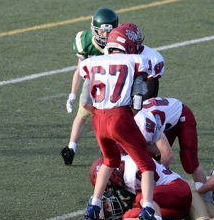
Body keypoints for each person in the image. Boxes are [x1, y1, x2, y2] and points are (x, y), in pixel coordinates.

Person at [79, 23, 169, 220]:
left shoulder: (92, 62)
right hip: (120, 116)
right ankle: (148, 209)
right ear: (129, 45)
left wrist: (101, 114)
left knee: (109, 161)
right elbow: (138, 100)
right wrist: (127, 115)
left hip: (98, 118)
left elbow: (85, 101)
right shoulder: (136, 60)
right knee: (146, 165)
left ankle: (93, 205)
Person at [62, 14, 165, 165]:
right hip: (117, 106)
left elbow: (149, 96)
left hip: (112, 111)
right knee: (139, 159)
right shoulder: (116, 54)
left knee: (116, 156)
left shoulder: (147, 58)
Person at [61, 7, 119, 165]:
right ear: (94, 29)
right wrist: (72, 94)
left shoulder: (119, 43)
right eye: (102, 31)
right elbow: (79, 70)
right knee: (83, 110)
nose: (105, 35)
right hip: (93, 79)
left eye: (109, 32)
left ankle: (112, 147)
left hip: (114, 81)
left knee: (113, 116)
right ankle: (71, 147)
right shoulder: (84, 42)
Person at [89, 154, 193, 220]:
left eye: (110, 186)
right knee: (127, 218)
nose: (113, 190)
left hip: (178, 191)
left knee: (142, 198)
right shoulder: (123, 163)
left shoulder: (131, 173)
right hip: (174, 209)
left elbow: (146, 197)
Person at [139, 96, 207, 184]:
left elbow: (167, 154)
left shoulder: (148, 123)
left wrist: (159, 176)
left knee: (190, 162)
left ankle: (204, 191)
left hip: (181, 115)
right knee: (151, 158)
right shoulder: (137, 121)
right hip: (163, 120)